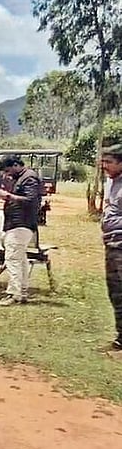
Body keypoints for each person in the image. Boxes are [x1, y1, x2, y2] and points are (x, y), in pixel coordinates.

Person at [0, 154, 42, 306]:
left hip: (21, 224)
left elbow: (30, 200)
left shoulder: (29, 178)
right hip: (14, 224)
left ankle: (13, 294)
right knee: (20, 260)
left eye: (8, 170)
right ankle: (22, 292)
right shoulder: (19, 178)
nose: (7, 174)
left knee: (12, 260)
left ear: (15, 165)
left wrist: (7, 196)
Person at [100, 144, 122, 350]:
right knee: (115, 291)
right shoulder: (111, 182)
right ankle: (121, 337)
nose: (104, 165)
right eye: (103, 161)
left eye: (109, 162)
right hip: (112, 244)